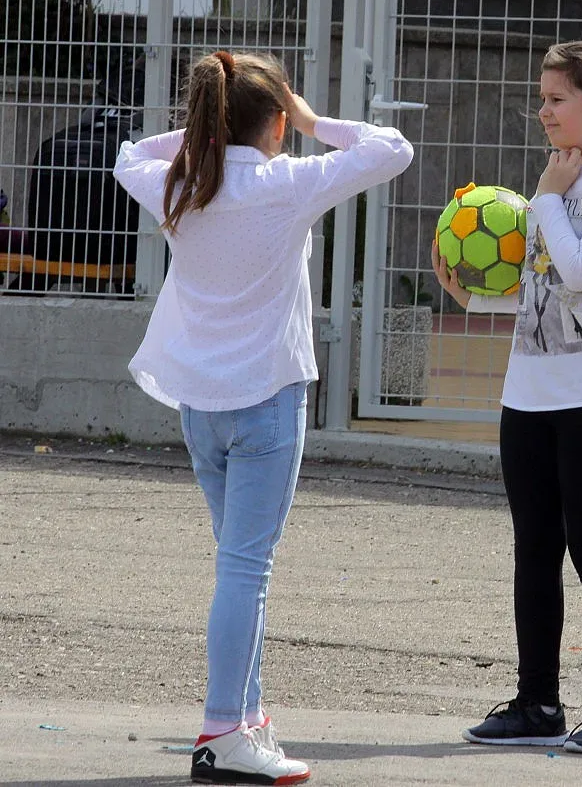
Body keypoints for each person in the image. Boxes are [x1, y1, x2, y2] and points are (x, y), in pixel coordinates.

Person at [114, 50, 413, 784]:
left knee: (236, 568)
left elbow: (127, 155)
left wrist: (196, 137)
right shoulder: (287, 182)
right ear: (278, 122)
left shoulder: (178, 180)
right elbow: (393, 149)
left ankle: (245, 718)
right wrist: (313, 119)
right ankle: (223, 731)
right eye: (287, 118)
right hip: (269, 402)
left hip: (199, 405)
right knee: (245, 571)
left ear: (206, 123)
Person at [432, 39, 582, 755]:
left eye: (556, 99)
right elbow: (547, 299)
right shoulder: (560, 181)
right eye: (542, 98)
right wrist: (473, 301)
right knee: (534, 548)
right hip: (529, 394)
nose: (542, 111)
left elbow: (581, 270)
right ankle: (538, 702)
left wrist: (542, 196)